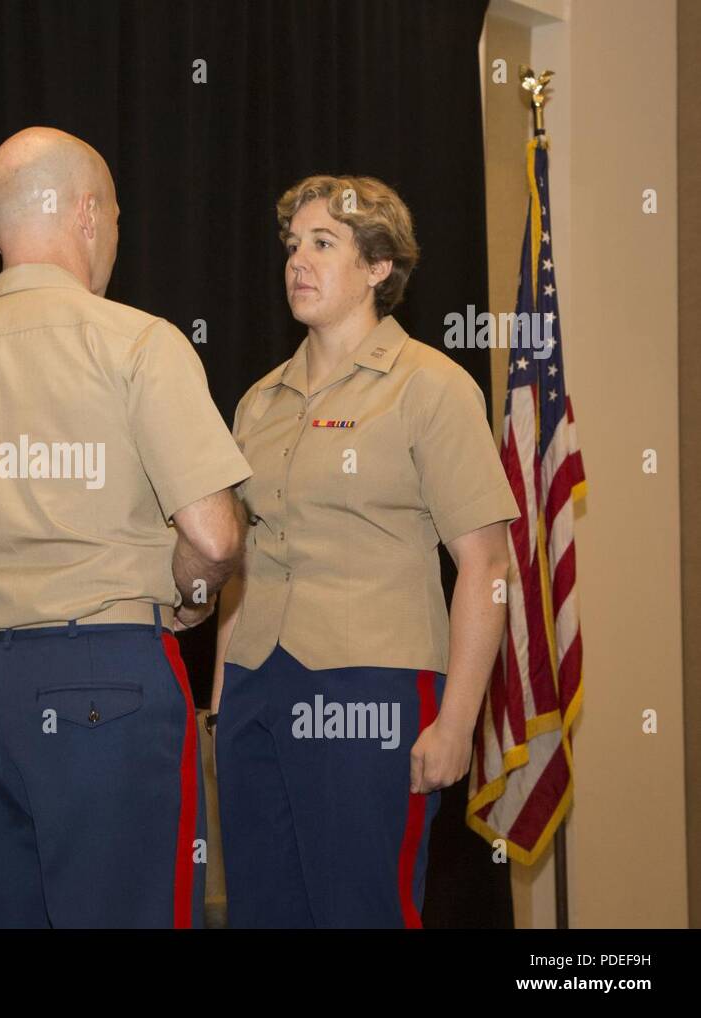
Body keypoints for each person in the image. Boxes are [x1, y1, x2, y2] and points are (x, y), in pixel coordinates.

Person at [0, 127, 251, 928]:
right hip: (114, 681)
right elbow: (213, 537)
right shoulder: (141, 342)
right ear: (91, 215)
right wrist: (193, 598)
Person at [212, 174, 518, 928]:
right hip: (256, 685)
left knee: (361, 909)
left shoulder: (431, 387)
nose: (297, 261)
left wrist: (457, 721)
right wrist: (224, 688)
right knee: (262, 909)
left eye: (323, 243)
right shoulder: (259, 399)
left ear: (380, 267)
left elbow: (489, 565)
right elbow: (237, 555)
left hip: (368, 689)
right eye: (292, 246)